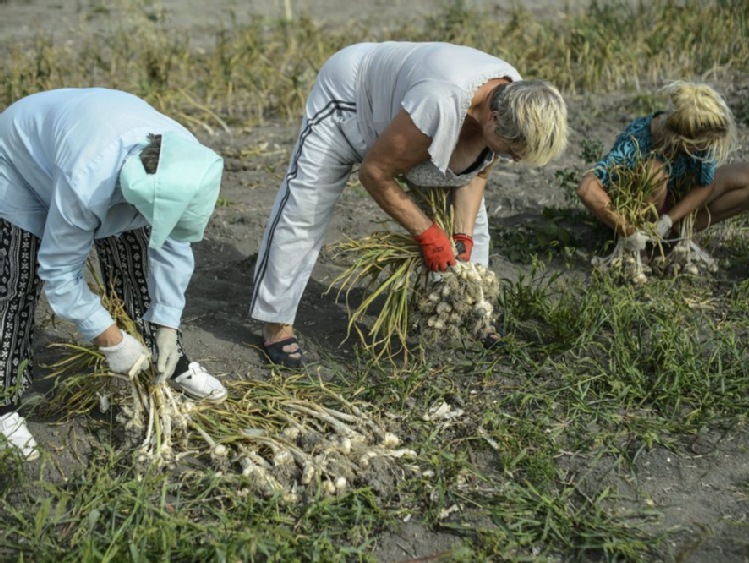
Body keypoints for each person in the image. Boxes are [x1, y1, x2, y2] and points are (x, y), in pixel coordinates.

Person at [250, 41, 568, 368]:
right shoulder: (441, 100)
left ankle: (475, 312)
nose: (509, 160)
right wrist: (428, 234)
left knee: (476, 227)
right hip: (351, 99)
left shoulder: (515, 97)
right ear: (494, 119)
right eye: (510, 152)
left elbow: (475, 175)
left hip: (410, 113)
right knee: (306, 207)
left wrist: (463, 238)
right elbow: (375, 173)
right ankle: (276, 324)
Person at [0, 88, 228, 461]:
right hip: (18, 158)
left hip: (94, 136)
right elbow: (59, 271)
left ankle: (168, 361)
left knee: (137, 258)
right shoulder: (87, 181)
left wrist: (168, 324)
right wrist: (111, 341)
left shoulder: (183, 159)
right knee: (15, 279)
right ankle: (2, 404)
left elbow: (173, 244)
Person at [577, 81, 748, 254]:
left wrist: (669, 220)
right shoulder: (636, 141)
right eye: (703, 145)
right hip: (635, 215)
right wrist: (629, 231)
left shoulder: (700, 139)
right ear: (682, 138)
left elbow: (706, 183)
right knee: (654, 172)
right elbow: (587, 189)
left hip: (672, 206)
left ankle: (675, 236)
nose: (707, 148)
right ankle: (642, 246)